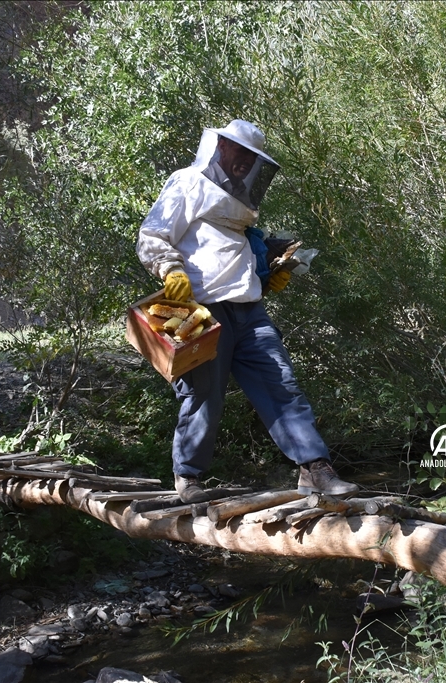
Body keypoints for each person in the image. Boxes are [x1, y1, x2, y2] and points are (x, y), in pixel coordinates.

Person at [137, 119, 359, 503]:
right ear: (220, 148)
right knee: (203, 394)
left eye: (250, 158)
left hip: (249, 310)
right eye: (238, 152)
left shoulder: (240, 204)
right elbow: (152, 234)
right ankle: (188, 478)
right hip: (200, 309)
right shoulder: (187, 182)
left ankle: (315, 470)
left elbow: (231, 249)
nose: (243, 163)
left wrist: (267, 270)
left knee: (282, 386)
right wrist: (169, 269)